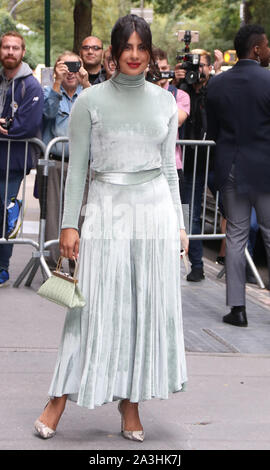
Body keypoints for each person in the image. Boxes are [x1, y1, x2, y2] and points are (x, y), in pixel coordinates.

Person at [34, 14, 188, 442]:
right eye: (128, 47)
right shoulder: (91, 101)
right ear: (114, 53)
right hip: (106, 211)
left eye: (142, 47)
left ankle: (131, 403)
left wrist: (178, 224)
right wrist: (70, 225)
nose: (135, 55)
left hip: (154, 213)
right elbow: (78, 169)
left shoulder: (164, 103)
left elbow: (169, 171)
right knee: (88, 307)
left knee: (141, 309)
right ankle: (58, 397)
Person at [207, 24, 270, 327]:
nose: (269, 50)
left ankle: (238, 309)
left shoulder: (217, 84)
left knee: (235, 236)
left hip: (230, 166)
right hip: (265, 169)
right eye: (267, 45)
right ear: (256, 49)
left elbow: (213, 131)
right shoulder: (269, 80)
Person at [174, 48, 225, 282]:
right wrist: (179, 81)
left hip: (216, 159)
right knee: (192, 214)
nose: (197, 71)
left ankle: (238, 262)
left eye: (201, 66)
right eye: (194, 67)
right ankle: (197, 265)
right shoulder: (183, 90)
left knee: (231, 211)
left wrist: (215, 73)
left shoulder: (213, 88)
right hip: (192, 160)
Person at [0, 31, 43, 286]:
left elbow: (25, 127)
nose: (10, 52)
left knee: (6, 214)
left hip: (12, 164)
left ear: (23, 52)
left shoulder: (32, 85)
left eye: (15, 48)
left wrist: (8, 126)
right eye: (6, 47)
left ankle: (2, 267)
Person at [41, 51, 90, 270]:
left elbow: (100, 114)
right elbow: (48, 115)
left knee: (82, 214)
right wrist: (56, 83)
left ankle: (79, 263)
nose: (70, 71)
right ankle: (55, 265)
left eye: (74, 65)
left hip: (83, 165)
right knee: (53, 214)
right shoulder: (49, 92)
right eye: (64, 66)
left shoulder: (89, 93)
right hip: (56, 162)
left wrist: (86, 83)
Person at [153, 47, 190, 200]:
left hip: (173, 165)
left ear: (169, 68)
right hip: (147, 165)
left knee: (179, 214)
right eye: (157, 69)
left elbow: (177, 121)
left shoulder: (181, 95)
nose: (161, 72)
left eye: (164, 68)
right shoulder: (140, 93)